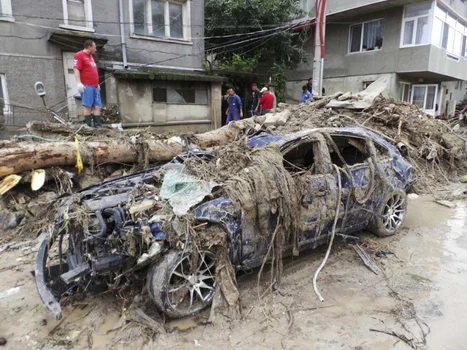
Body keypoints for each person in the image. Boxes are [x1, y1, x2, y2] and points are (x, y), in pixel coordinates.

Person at [73, 40, 102, 128]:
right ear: (89, 47)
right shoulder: (79, 55)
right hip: (87, 86)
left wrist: (97, 83)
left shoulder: (91, 57)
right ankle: (88, 125)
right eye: (94, 47)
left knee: (98, 106)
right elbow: (76, 69)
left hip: (95, 86)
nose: (95, 49)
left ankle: (98, 125)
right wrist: (79, 83)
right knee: (88, 106)